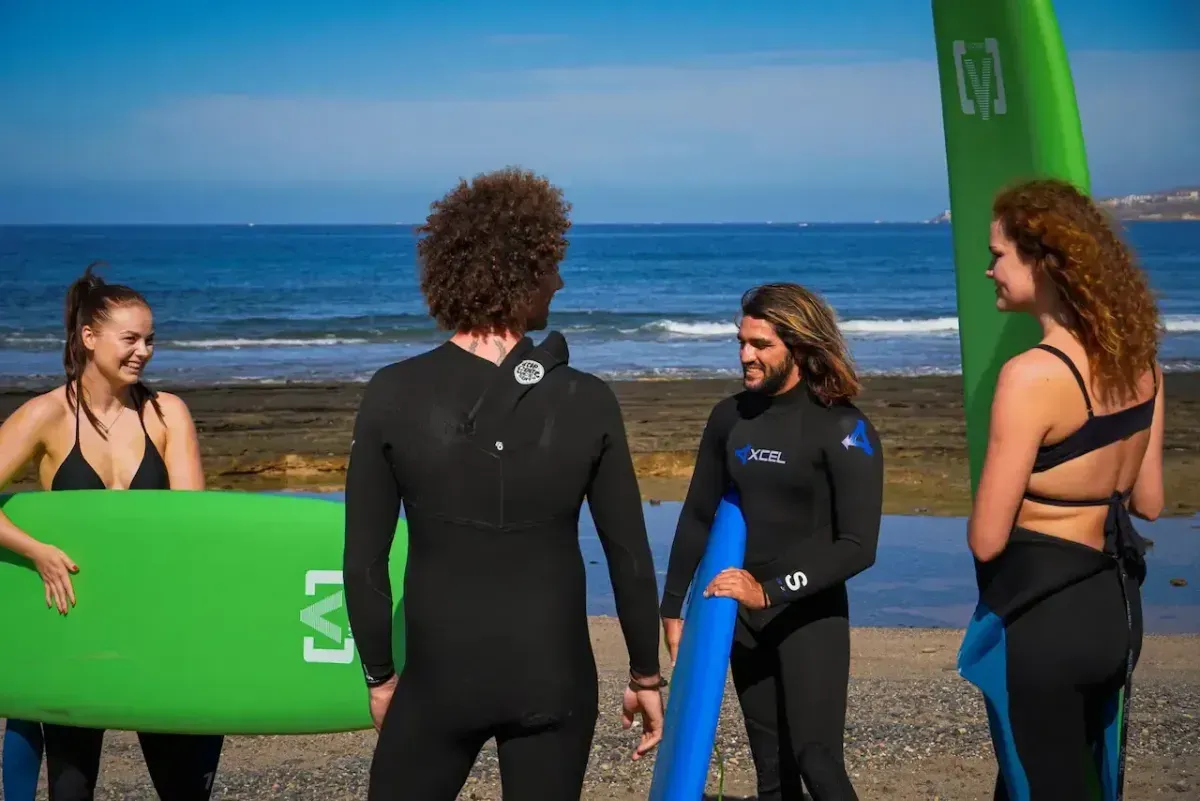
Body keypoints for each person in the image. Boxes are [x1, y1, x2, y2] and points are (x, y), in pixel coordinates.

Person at [342, 167, 666, 801]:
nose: (560, 282)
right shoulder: (588, 400)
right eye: (552, 265)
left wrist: (379, 676)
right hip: (554, 680)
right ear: (520, 270)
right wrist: (645, 675)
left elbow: (364, 561)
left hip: (438, 683)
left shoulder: (393, 392)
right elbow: (629, 554)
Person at [959, 178, 1164, 799]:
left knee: (1041, 783)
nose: (989, 270)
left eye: (998, 255)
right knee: (1078, 778)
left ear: (1044, 261)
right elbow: (1149, 502)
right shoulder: (1141, 362)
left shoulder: (1031, 375)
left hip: (1044, 617)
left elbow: (987, 539)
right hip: (1114, 610)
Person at [0, 263, 225, 801]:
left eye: (150, 340)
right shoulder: (47, 415)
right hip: (75, 621)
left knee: (183, 786)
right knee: (72, 786)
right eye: (130, 339)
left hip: (154, 620)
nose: (143, 351)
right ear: (88, 337)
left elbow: (192, 522)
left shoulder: (166, 413)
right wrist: (37, 552)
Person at [659, 282, 883, 801]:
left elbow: (858, 546)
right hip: (742, 617)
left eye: (761, 345)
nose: (746, 356)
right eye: (741, 342)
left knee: (817, 761)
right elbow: (698, 514)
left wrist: (770, 591)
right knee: (772, 774)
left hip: (808, 614)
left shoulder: (844, 428)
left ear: (798, 347)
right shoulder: (730, 417)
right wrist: (672, 605)